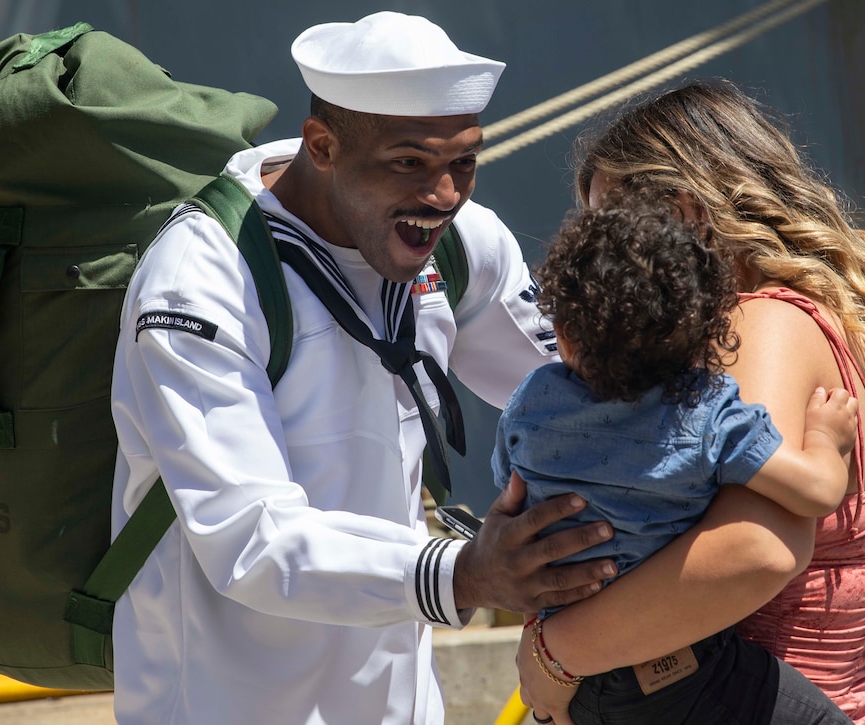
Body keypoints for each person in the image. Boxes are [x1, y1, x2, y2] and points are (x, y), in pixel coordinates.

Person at [109, 12, 617, 725]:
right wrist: (465, 571)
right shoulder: (203, 277)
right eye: (408, 162)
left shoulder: (459, 243)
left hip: (397, 701)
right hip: (226, 704)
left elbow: (588, 393)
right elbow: (250, 537)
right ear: (322, 145)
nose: (444, 195)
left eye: (464, 162)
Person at [514, 79, 865, 725]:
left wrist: (553, 655)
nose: (604, 252)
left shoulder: (761, 325)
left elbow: (755, 550)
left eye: (614, 222)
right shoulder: (815, 317)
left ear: (691, 212)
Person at [494, 192, 856, 724]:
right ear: (701, 332)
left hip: (586, 691)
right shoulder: (707, 415)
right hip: (684, 678)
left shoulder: (531, 403)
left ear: (566, 335)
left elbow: (511, 500)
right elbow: (818, 491)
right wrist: (827, 437)